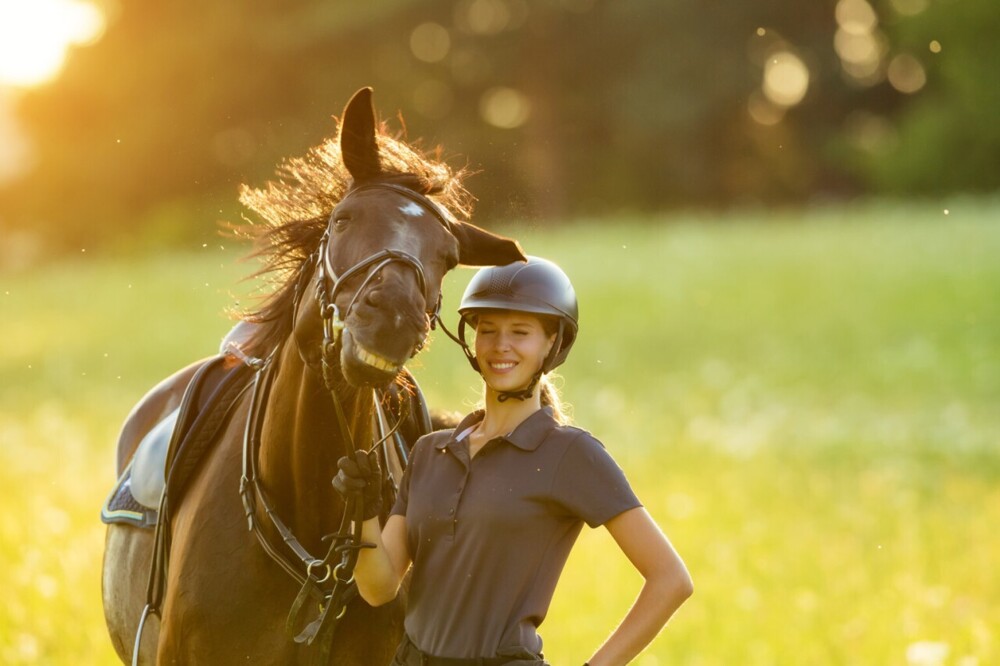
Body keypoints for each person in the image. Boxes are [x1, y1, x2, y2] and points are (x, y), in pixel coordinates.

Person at [334, 256, 693, 666]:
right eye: (488, 331)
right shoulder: (429, 452)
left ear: (552, 343)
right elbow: (378, 589)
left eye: (520, 332)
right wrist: (361, 513)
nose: (500, 346)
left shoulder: (571, 455)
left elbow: (671, 580)